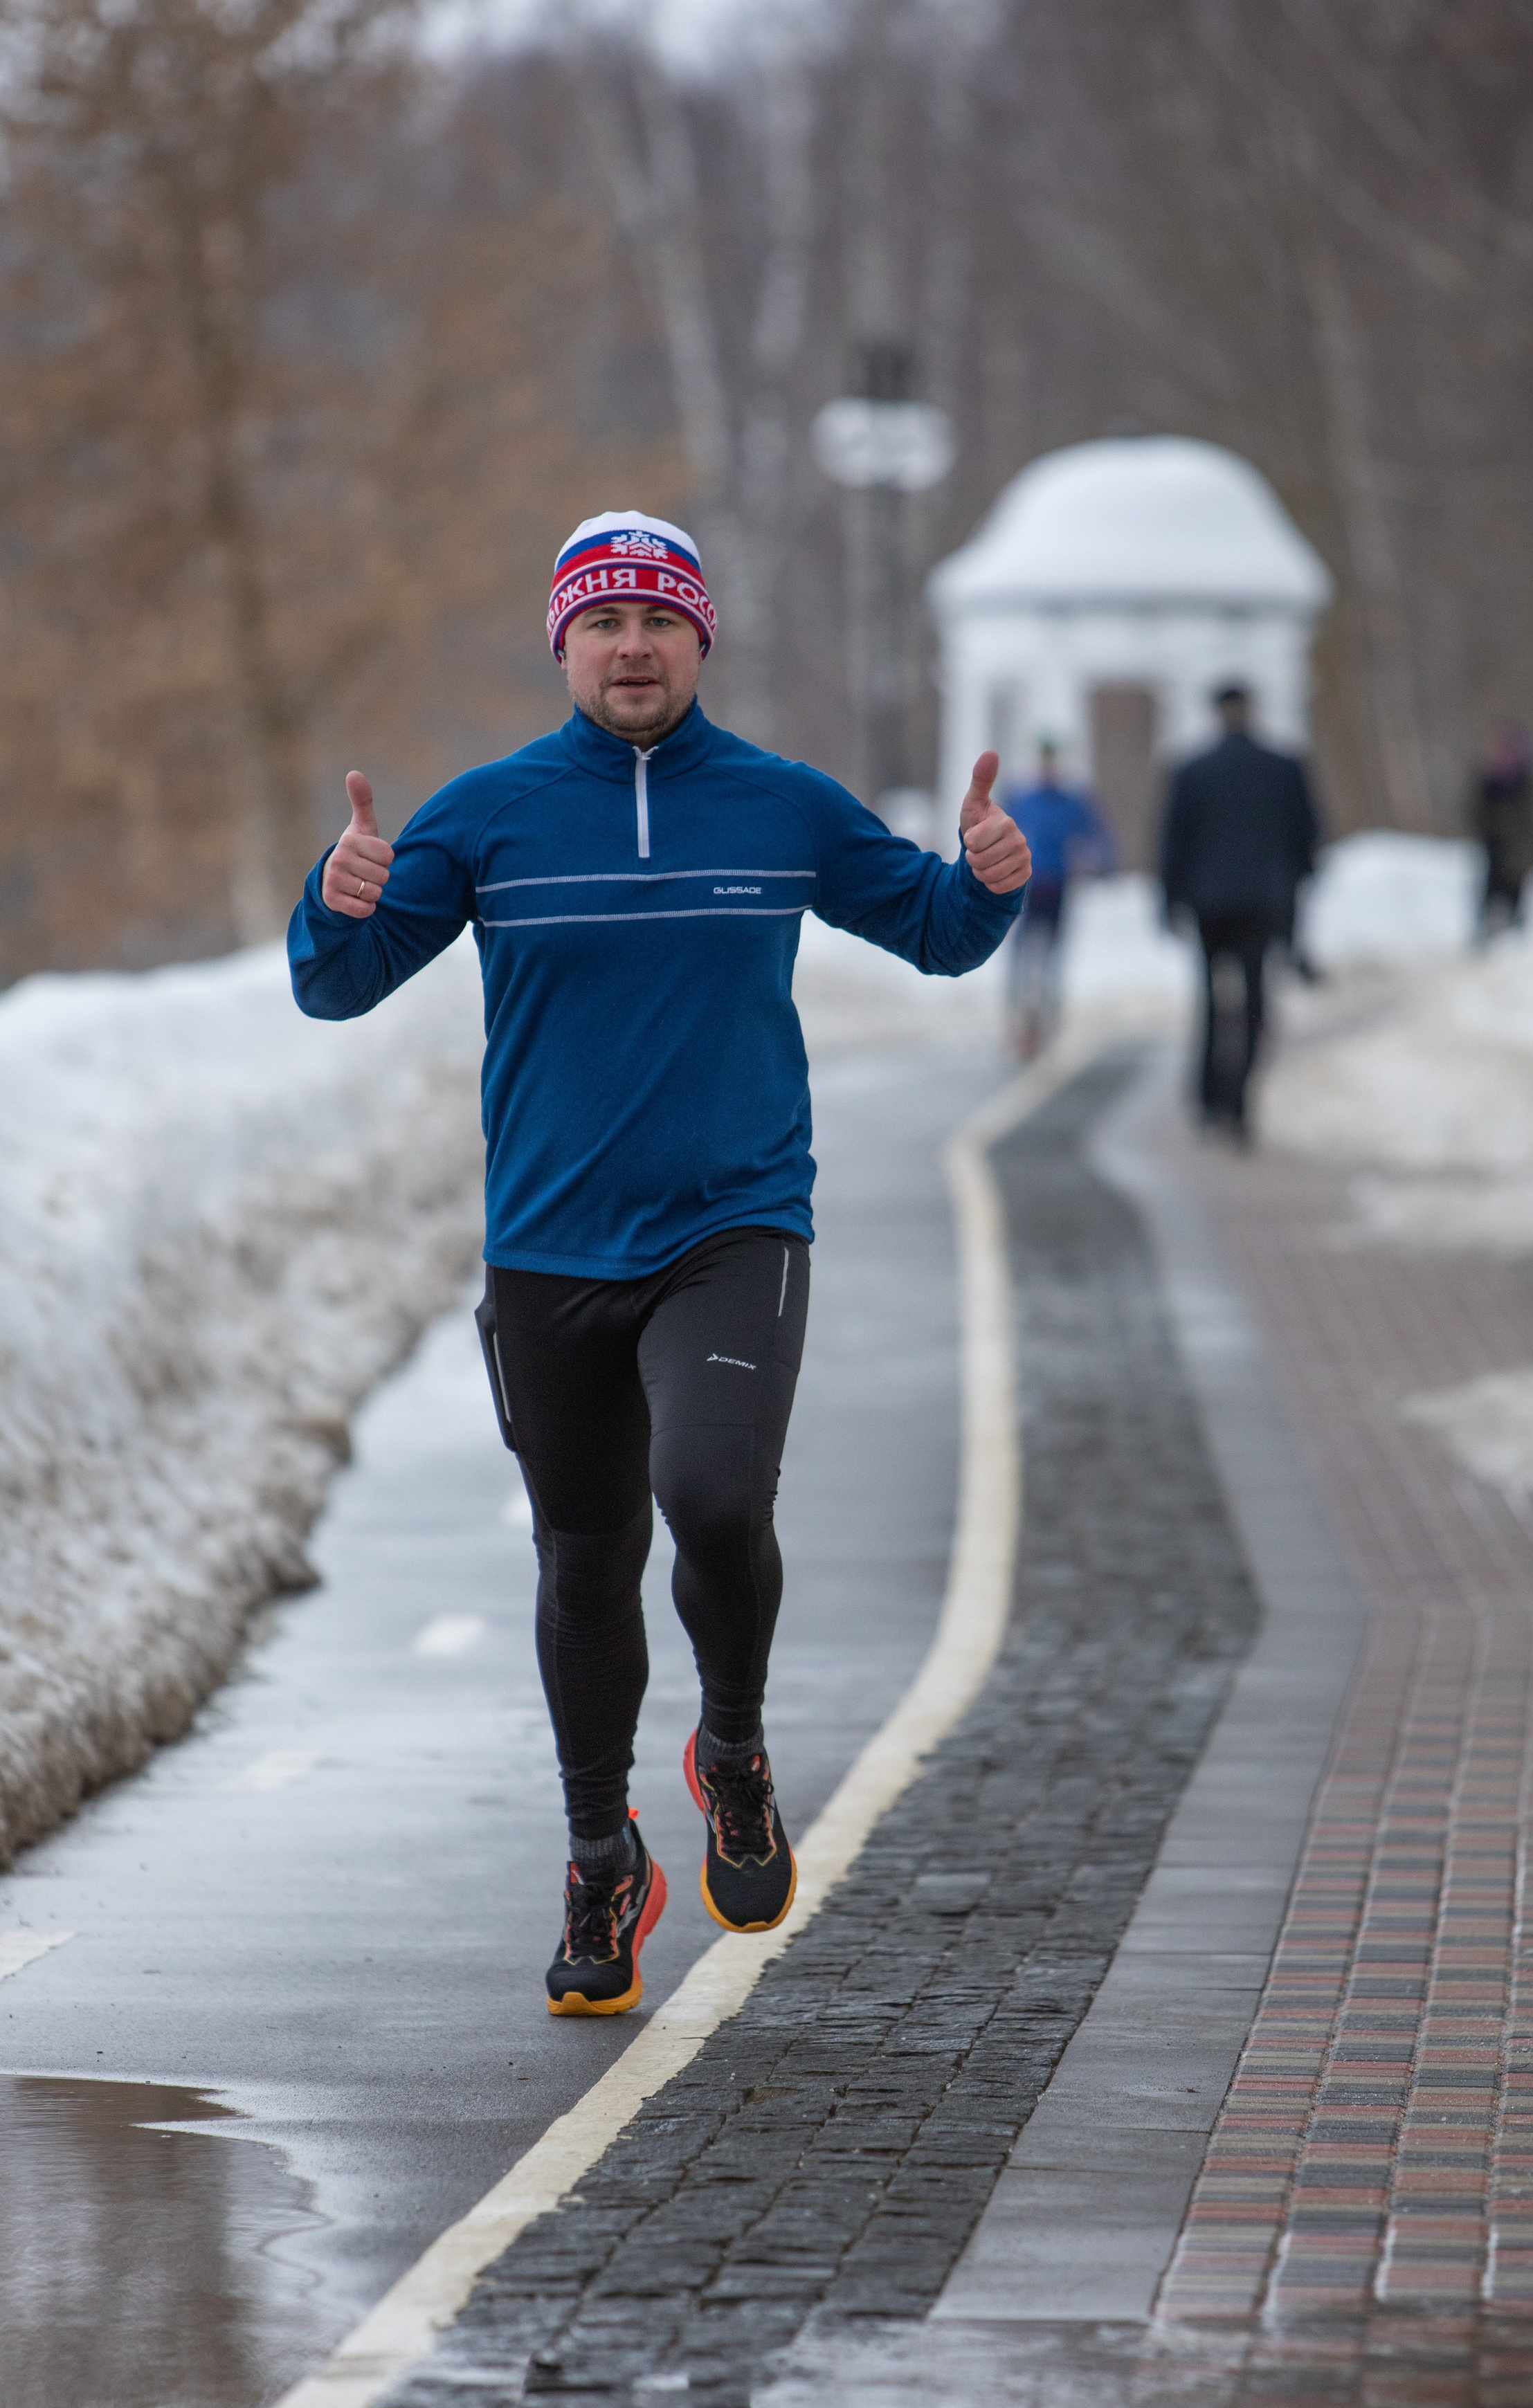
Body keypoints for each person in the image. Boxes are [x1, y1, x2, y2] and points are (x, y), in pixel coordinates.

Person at [288, 511, 1031, 2017]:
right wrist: (337, 898)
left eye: (659, 621)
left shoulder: (777, 803)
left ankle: (735, 1753)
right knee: (584, 1556)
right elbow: (335, 985)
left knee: (709, 1496)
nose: (632, 646)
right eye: (603, 622)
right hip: (551, 1246)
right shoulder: (488, 815)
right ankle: (595, 1851)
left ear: (702, 640)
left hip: (732, 1226)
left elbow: (937, 935)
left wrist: (987, 877)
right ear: (561, 643)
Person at [1157, 682, 1320, 1142]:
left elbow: (1172, 841)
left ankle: (1210, 1098)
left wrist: (1168, 900)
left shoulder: (1192, 770)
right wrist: (1295, 898)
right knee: (1253, 1001)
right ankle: (1241, 1096)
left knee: (1211, 1000)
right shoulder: (1283, 767)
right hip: (1262, 901)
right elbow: (1307, 838)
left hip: (1208, 904)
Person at [1001, 742, 1116, 1059]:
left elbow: (1098, 836)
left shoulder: (1072, 802)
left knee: (1053, 958)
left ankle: (1048, 1020)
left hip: (1058, 887)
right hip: (1024, 888)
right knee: (1021, 959)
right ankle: (1017, 1019)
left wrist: (1101, 862)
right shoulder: (1022, 799)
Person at [1470, 719, 1533, 940]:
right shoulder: (1489, 782)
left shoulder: (1527, 781)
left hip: (1519, 847)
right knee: (1491, 889)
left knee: (1517, 890)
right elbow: (1477, 813)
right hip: (1495, 845)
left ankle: (1516, 934)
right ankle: (1485, 933)